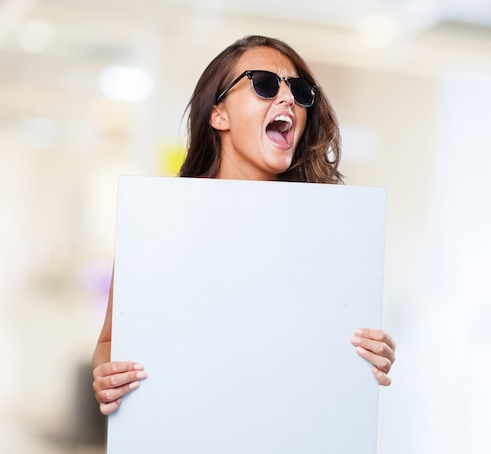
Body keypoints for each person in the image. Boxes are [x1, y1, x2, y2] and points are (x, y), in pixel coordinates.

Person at [92, 35, 396, 416]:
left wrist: (367, 354)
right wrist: (106, 374)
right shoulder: (157, 221)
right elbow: (108, 343)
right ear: (218, 113)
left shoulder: (329, 233)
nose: (287, 99)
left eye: (299, 91)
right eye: (265, 84)